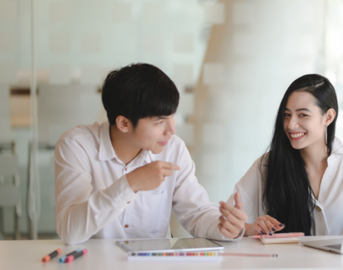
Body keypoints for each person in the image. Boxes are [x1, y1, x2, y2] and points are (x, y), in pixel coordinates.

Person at [55, 63, 246, 245]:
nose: (171, 130)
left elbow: (196, 212)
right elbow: (70, 231)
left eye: (172, 117)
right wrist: (129, 185)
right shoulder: (77, 146)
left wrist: (223, 226)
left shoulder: (173, 149)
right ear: (124, 123)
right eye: (159, 122)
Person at [227, 74, 343, 236]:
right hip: (287, 262)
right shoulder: (268, 165)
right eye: (287, 115)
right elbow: (226, 222)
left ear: (328, 117)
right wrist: (248, 229)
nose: (291, 124)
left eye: (303, 115)